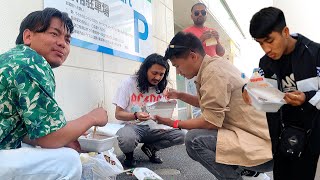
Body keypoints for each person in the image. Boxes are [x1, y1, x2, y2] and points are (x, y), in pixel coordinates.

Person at [0, 8, 108, 180]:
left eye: (67, 39)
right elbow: (49, 138)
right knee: (68, 161)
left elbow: (30, 131)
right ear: (28, 37)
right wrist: (93, 117)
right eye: (54, 34)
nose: (62, 43)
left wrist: (64, 138)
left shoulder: (11, 58)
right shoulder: (32, 63)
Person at [155, 32, 273, 180]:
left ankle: (240, 175)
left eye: (177, 66)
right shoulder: (214, 65)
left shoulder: (213, 72)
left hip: (260, 149)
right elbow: (207, 103)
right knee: (198, 135)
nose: (178, 73)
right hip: (261, 142)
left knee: (193, 140)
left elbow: (210, 122)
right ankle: (250, 174)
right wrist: (180, 95)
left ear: (193, 56)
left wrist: (173, 123)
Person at [244, 7, 320, 180]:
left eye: (269, 40)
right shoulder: (265, 62)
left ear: (285, 32)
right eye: (260, 43)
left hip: (312, 137)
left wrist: (306, 97)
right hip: (280, 137)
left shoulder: (315, 53)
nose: (266, 49)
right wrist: (247, 90)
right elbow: (256, 84)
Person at [113, 53, 185, 167]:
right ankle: (129, 156)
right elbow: (118, 114)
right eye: (154, 73)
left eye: (161, 74)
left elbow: (163, 112)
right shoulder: (128, 83)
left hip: (154, 127)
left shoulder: (162, 86)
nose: (157, 78)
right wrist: (135, 115)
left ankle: (150, 148)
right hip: (133, 126)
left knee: (182, 135)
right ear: (145, 70)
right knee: (126, 137)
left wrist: (168, 119)